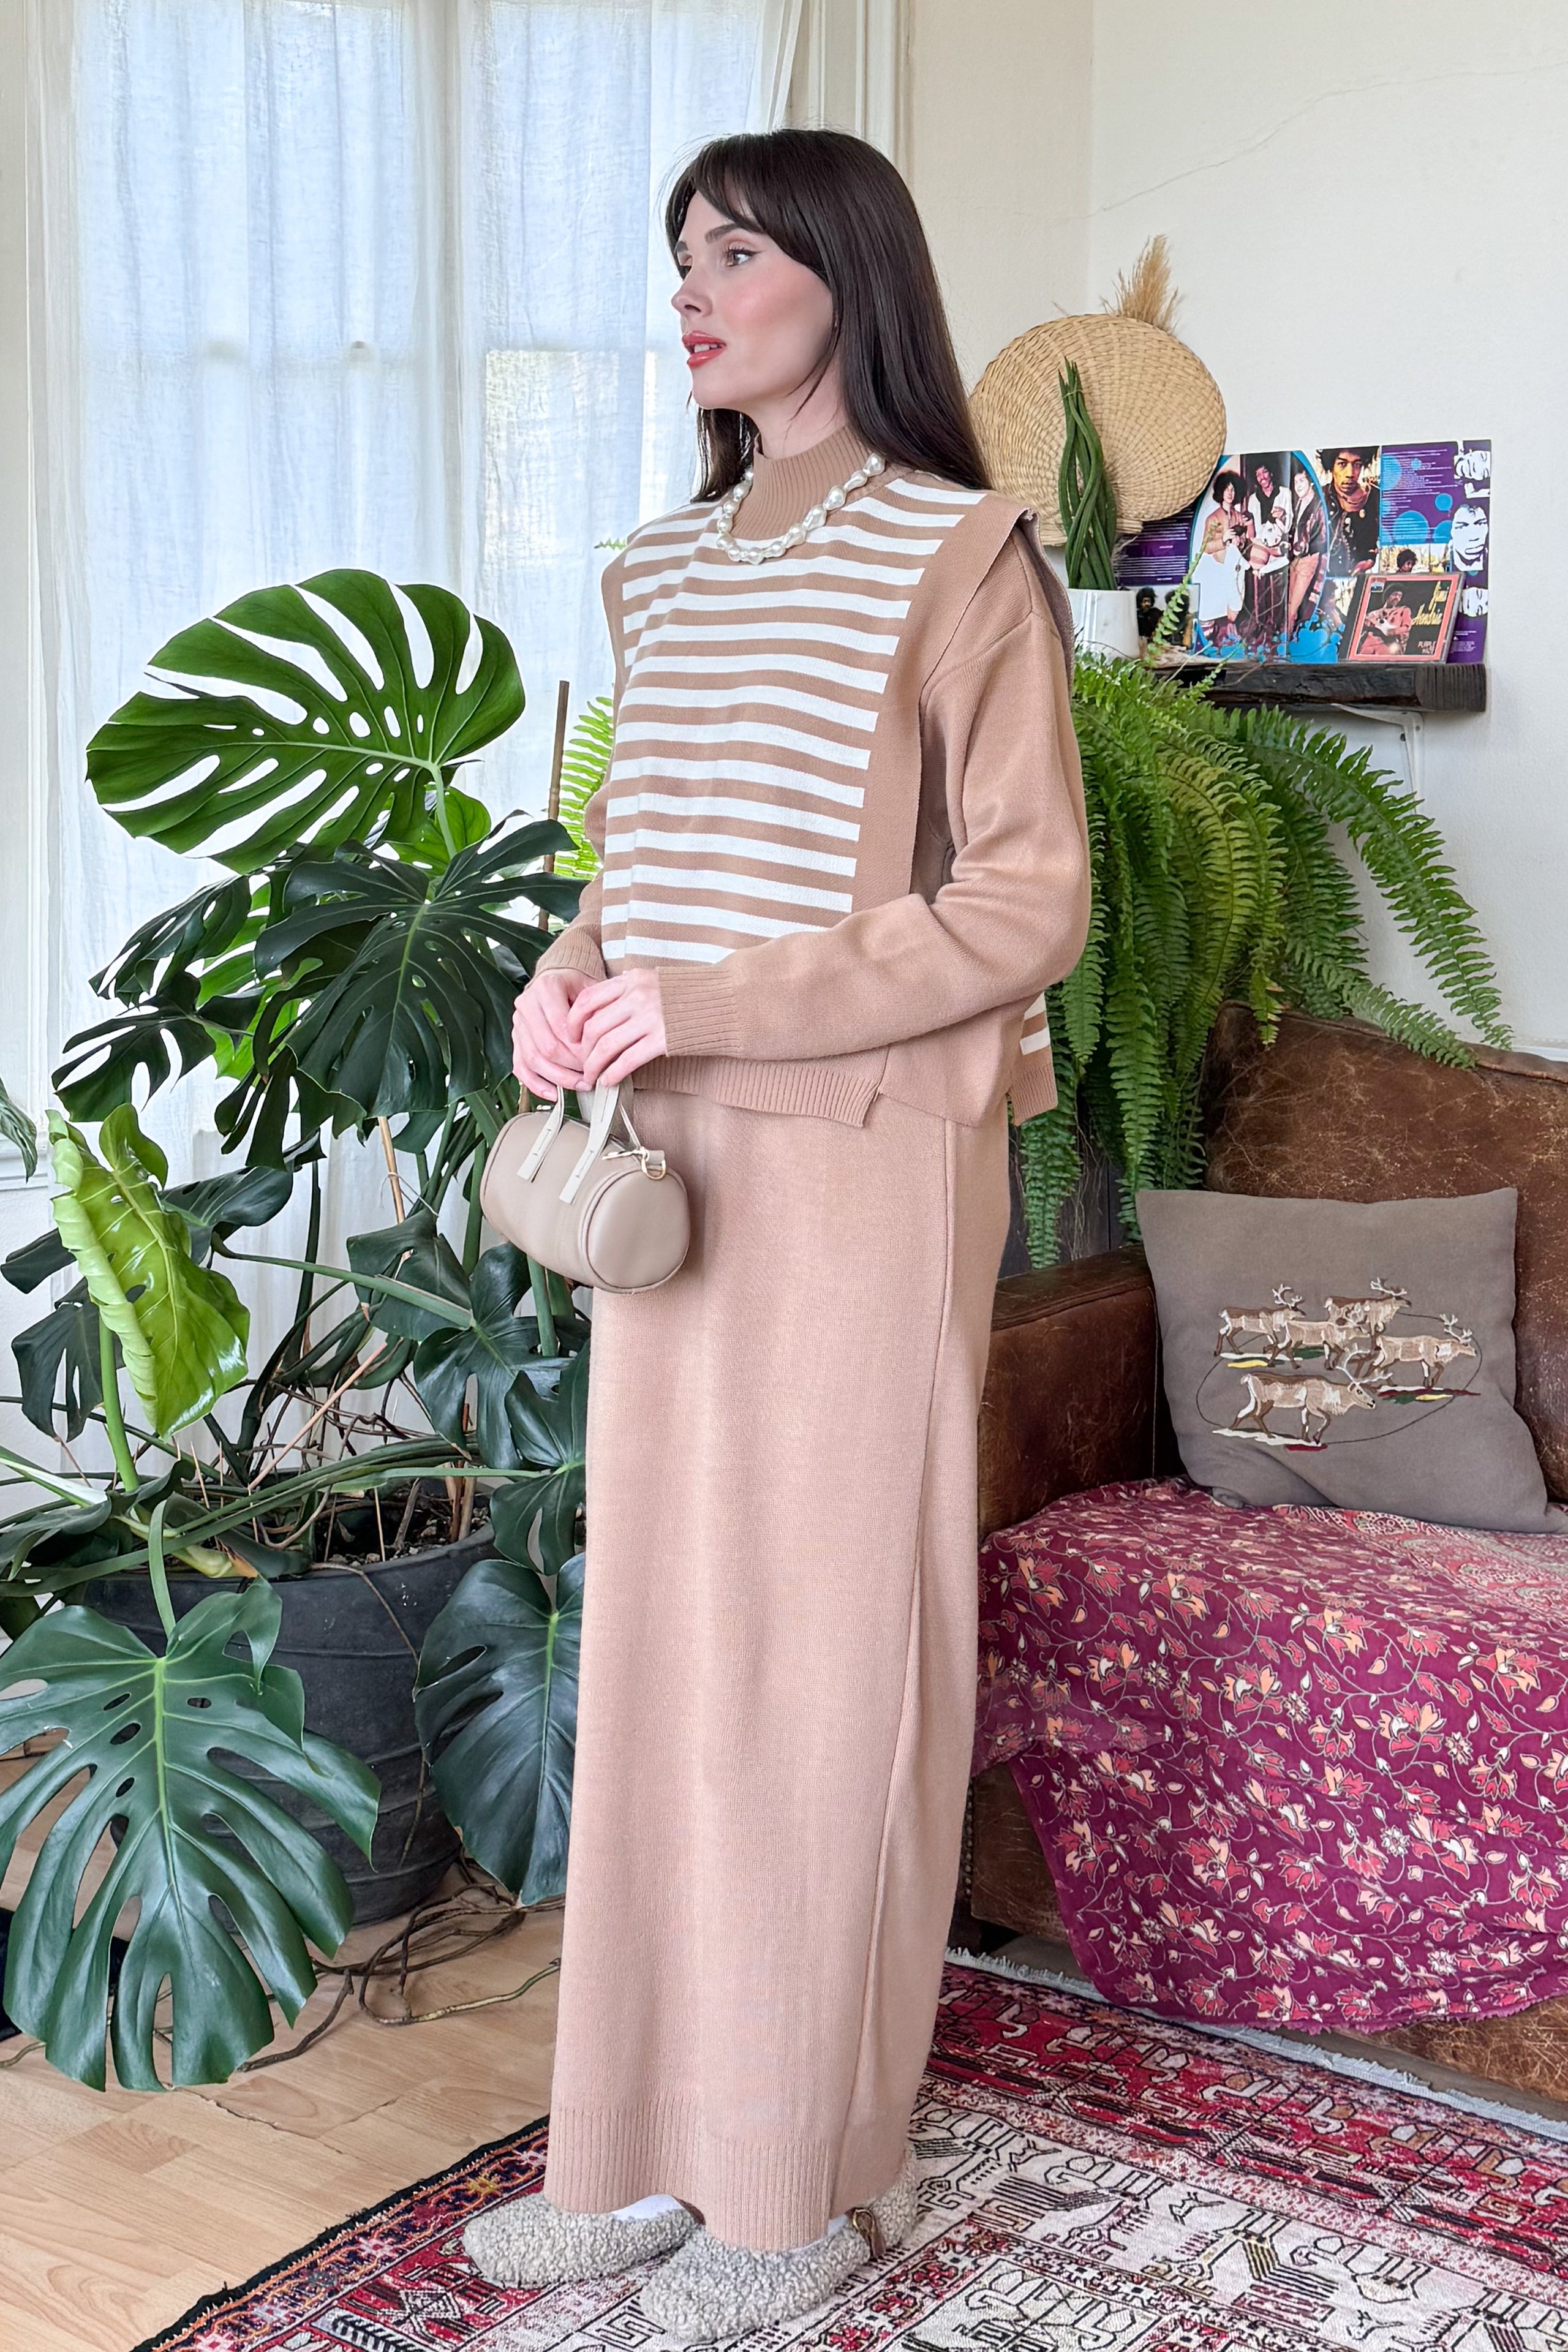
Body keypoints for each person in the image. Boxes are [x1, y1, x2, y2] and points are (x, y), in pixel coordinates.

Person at [464, 127, 1090, 2343]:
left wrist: (709, 998)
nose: (693, 288)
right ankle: (637, 2149)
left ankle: (798, 2177)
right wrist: (566, 973)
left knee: (824, 1664)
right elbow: (638, 859)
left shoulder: (958, 552)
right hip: (675, 1166)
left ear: (845, 271)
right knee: (665, 1653)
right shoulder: (660, 569)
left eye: (735, 250)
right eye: (680, 255)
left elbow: (1024, 900)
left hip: (860, 1158)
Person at [1319, 445, 1379, 573]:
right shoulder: (1319, 497)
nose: (1350, 474)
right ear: (1332, 466)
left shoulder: (1374, 497)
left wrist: (1368, 560)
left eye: (1357, 465)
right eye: (1342, 464)